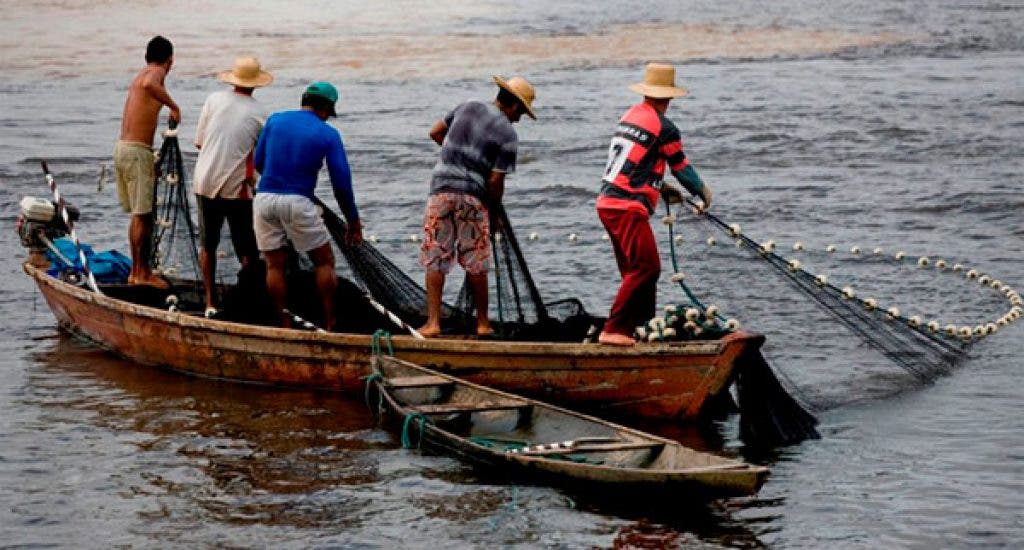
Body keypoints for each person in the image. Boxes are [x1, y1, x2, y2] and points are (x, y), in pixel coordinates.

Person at [596, 63, 713, 346]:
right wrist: (702, 192)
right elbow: (681, 167)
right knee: (646, 269)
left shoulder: (630, 116)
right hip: (628, 207)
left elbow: (636, 162)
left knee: (634, 271)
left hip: (607, 203)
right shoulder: (665, 128)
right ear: (669, 96)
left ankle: (640, 326)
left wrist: (660, 188)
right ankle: (613, 330)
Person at [417, 75, 537, 338]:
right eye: (520, 113)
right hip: (472, 197)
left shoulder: (467, 106)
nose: (519, 120)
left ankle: (433, 323)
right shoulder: (508, 134)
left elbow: (435, 132)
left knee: (435, 257)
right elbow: (495, 181)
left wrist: (456, 155)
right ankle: (482, 324)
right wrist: (494, 213)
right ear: (514, 105)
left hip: (440, 191)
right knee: (476, 261)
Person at [252, 81, 362, 330]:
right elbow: (341, 184)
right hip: (298, 201)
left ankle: (285, 324)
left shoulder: (275, 120)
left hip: (264, 198)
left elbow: (259, 162)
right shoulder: (328, 134)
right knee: (324, 261)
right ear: (326, 109)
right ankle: (330, 322)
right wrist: (352, 221)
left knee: (274, 265)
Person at [193, 56, 273, 317]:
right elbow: (261, 157)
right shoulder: (261, 113)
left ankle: (209, 302)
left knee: (208, 244)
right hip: (236, 187)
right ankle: (246, 300)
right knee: (247, 248)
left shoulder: (213, 100)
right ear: (256, 83)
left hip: (204, 180)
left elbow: (200, 143)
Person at [114, 35, 181, 288]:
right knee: (143, 215)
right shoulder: (155, 73)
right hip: (136, 152)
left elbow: (145, 85)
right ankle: (142, 273)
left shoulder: (139, 75)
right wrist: (174, 107)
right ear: (169, 60)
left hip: (123, 149)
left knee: (138, 215)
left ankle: (136, 272)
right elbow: (150, 84)